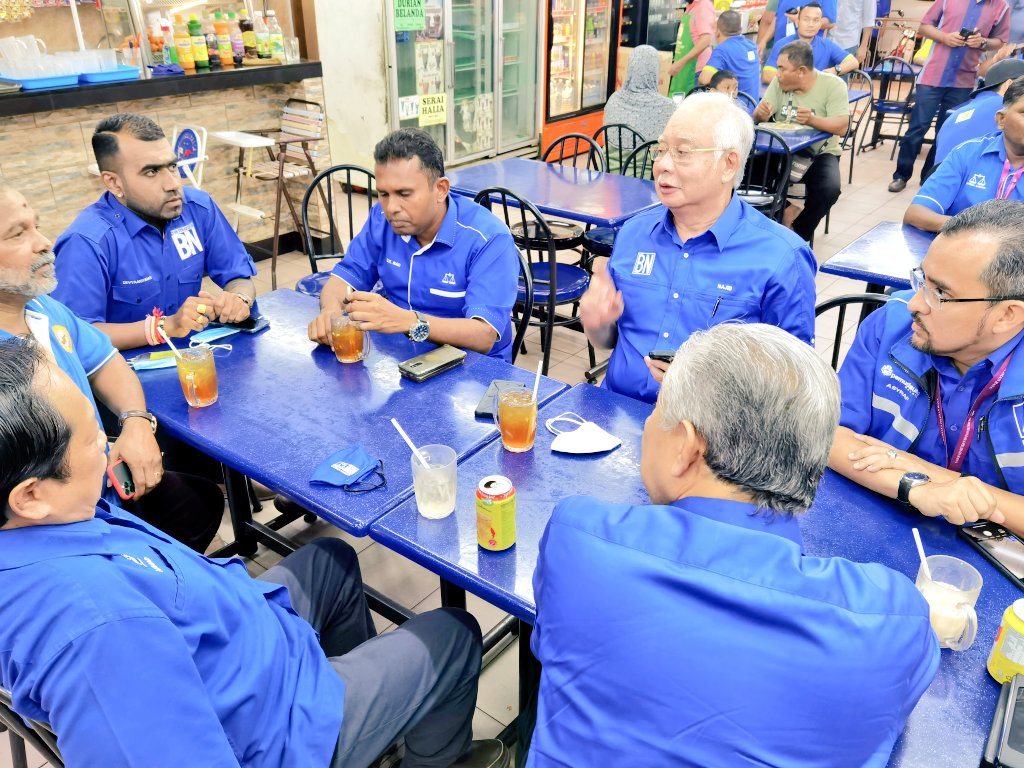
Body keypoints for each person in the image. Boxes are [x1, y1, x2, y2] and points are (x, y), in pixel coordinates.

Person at [0, 337, 508, 768]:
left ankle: (375, 731)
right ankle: (356, 732)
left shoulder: (50, 520)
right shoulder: (96, 632)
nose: (110, 450)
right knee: (456, 632)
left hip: (245, 650)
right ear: (31, 495)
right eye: (93, 442)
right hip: (279, 731)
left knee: (331, 559)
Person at [528, 323, 940, 766]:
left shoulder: (580, 537)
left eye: (654, 414)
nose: (648, 426)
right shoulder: (894, 617)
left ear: (686, 448)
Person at [0, 184, 222, 553]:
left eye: (35, 225)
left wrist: (135, 422)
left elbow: (105, 361)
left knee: (201, 504)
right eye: (17, 234)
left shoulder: (44, 310)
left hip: (106, 483)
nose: (43, 242)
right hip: (63, 529)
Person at [580, 92, 816, 404]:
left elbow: (797, 386)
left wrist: (705, 384)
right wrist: (597, 324)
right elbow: (609, 339)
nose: (662, 165)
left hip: (713, 440)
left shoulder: (782, 257)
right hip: (616, 414)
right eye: (661, 149)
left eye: (682, 152)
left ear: (728, 164)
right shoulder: (634, 232)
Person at [831, 199, 1024, 533]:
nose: (914, 303)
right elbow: (828, 436)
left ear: (1007, 315)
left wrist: (918, 468)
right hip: (874, 524)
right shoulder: (889, 328)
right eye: (922, 279)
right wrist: (917, 487)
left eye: (939, 294)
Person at [308, 128, 519, 361]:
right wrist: (330, 312)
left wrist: (408, 322)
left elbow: (484, 335)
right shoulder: (382, 220)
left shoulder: (488, 239)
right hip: (402, 358)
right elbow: (343, 279)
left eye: (404, 193)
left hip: (471, 368)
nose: (391, 208)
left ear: (440, 190)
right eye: (384, 194)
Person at [53, 113, 258, 351]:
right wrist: (165, 326)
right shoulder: (86, 242)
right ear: (113, 183)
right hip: (122, 373)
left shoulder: (198, 208)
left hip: (193, 355)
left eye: (173, 166)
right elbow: (73, 338)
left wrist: (239, 299)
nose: (173, 184)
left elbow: (238, 276)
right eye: (151, 172)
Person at [887, 0, 1009, 192]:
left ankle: (930, 177)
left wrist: (983, 42)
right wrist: (944, 37)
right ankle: (901, 175)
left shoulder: (1001, 7)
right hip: (932, 75)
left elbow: (1001, 40)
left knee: (946, 131)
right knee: (917, 127)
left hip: (964, 79)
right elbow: (925, 26)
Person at [754, 41, 851, 241]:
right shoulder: (778, 84)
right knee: (748, 172)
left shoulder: (833, 85)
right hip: (779, 150)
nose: (777, 74)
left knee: (829, 190)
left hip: (818, 153)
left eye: (782, 69)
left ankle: (798, 234)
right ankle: (764, 225)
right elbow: (758, 116)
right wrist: (759, 114)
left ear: (801, 71)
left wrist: (813, 120)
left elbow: (842, 126)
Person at [904, 75, 1024, 232]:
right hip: (960, 249)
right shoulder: (967, 154)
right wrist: (979, 230)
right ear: (1001, 119)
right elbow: (916, 214)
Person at [934, 59, 1024, 165]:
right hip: (980, 176)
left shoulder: (958, 111)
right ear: (1009, 85)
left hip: (940, 177)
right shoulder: (1008, 108)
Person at [602, 44, 678, 167]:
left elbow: (605, 139)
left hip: (608, 172)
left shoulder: (614, 99)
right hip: (645, 178)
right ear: (656, 70)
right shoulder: (668, 107)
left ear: (630, 68)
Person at [762, 3, 857, 83]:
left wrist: (834, 70)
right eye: (806, 19)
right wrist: (796, 82)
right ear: (797, 21)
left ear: (820, 24)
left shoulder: (827, 45)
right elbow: (767, 75)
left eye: (816, 20)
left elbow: (853, 62)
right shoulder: (782, 44)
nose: (811, 24)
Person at [697, 11, 760, 99]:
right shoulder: (752, 46)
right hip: (753, 105)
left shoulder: (722, 50)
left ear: (717, 31)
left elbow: (704, 79)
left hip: (736, 107)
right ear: (740, 29)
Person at [757, 0, 836, 61]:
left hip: (804, 52)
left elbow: (829, 22)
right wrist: (764, 41)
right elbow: (778, 17)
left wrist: (802, 21)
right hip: (780, 48)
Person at [668, 0, 715, 95]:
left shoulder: (703, 6)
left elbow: (706, 40)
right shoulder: (691, 6)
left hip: (696, 70)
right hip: (685, 68)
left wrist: (681, 62)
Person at [833, 0, 876, 67]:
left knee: (843, 75)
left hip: (849, 42)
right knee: (824, 75)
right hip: (829, 39)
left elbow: (869, 19)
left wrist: (863, 46)